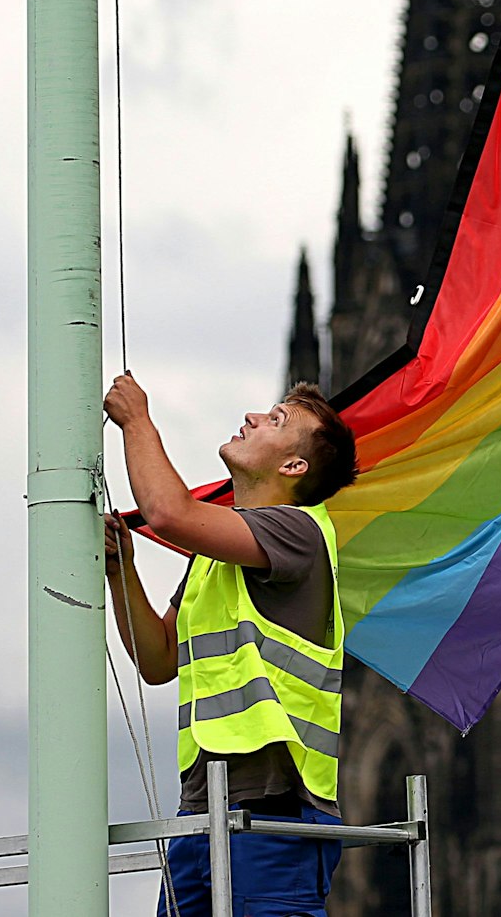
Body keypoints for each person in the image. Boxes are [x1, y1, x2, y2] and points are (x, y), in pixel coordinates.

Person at [102, 373, 360, 917]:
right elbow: (159, 659)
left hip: (277, 815)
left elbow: (168, 512)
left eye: (276, 420)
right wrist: (122, 569)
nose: (253, 417)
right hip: (201, 812)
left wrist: (137, 421)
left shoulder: (299, 531)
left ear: (294, 468)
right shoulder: (217, 552)